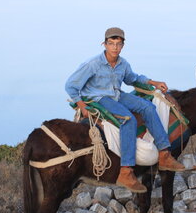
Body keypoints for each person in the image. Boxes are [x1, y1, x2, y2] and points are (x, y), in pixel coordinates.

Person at [65, 27, 186, 193]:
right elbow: (70, 85)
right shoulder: (92, 64)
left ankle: (164, 155)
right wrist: (81, 104)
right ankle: (126, 171)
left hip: (116, 94)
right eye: (111, 43)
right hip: (99, 97)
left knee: (148, 107)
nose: (115, 47)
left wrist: (153, 82)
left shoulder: (123, 64)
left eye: (118, 44)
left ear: (123, 45)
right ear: (104, 44)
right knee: (128, 119)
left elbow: (133, 78)